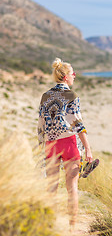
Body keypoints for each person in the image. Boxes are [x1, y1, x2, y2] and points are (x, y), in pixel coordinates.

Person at [38, 57, 93, 230]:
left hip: (51, 144)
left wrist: (42, 147)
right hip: (69, 144)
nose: (74, 76)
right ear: (65, 77)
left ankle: (49, 226)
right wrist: (88, 149)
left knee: (51, 187)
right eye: (73, 73)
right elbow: (78, 123)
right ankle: (72, 228)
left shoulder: (45, 96)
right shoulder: (72, 96)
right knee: (72, 188)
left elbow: (41, 125)